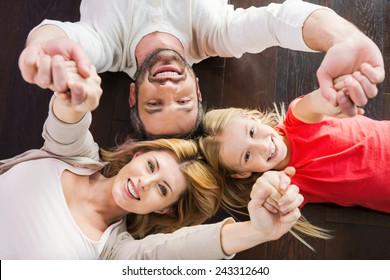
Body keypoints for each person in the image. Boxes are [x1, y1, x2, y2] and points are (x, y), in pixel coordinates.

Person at [1, 60, 325, 259]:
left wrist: (258, 231)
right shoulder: (74, 156)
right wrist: (75, 96)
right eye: (152, 167)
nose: (145, 182)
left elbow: (175, 253)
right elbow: (68, 121)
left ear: (163, 209)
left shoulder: (115, 254)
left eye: (162, 190)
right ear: (141, 153)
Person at [18, 0, 384, 139]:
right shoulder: (215, 35)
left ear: (133, 94)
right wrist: (341, 38)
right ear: (197, 90)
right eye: (183, 103)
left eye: (154, 105)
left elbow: (61, 39)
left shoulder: (104, 44)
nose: (168, 91)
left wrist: (39, 49)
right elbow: (278, 21)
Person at [199, 75, 390, 214]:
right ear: (242, 173)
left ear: (251, 118)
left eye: (251, 132)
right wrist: (274, 201)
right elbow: (279, 204)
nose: (263, 147)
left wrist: (330, 100)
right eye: (247, 156)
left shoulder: (297, 117)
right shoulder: (286, 183)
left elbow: (314, 102)